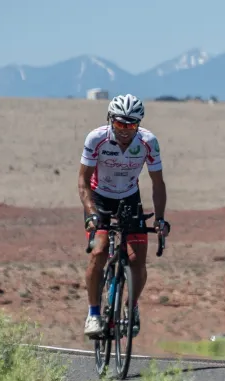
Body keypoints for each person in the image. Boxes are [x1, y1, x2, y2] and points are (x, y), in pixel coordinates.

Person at [78, 93, 170, 337]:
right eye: (120, 123)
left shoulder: (149, 142)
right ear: (110, 120)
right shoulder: (96, 138)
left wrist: (160, 219)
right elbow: (83, 181)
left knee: (137, 258)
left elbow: (157, 184)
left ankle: (132, 306)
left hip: (129, 198)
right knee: (98, 251)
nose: (125, 130)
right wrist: (91, 214)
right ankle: (94, 313)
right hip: (100, 198)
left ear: (138, 125)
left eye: (131, 124)